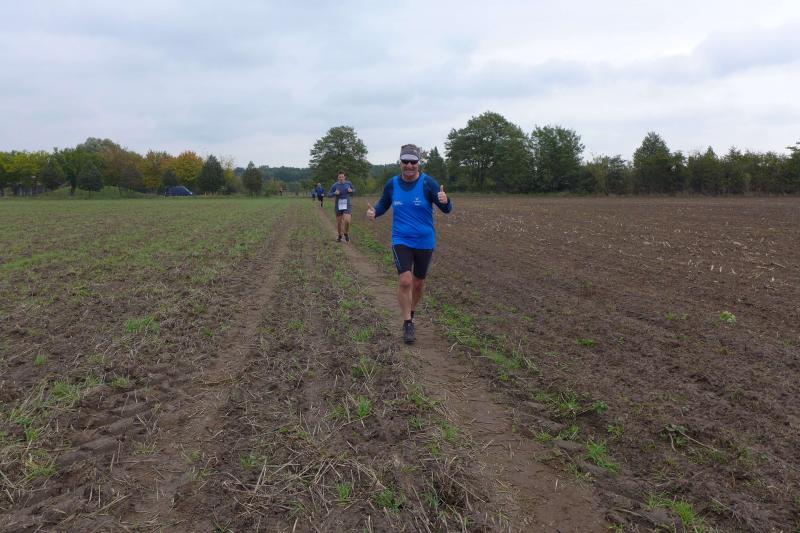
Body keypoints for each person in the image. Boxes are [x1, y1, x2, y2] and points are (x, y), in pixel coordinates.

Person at [366, 144, 452, 344]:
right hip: (401, 239)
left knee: (418, 283)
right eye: (405, 161)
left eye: (413, 162)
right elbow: (383, 204)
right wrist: (374, 212)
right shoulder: (392, 184)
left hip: (424, 241)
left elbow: (447, 209)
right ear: (400, 162)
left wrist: (445, 200)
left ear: (418, 163)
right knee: (405, 281)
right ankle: (407, 323)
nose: (409, 165)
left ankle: (411, 312)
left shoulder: (427, 183)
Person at [328, 171, 355, 242]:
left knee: (347, 221)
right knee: (339, 223)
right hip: (338, 205)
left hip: (347, 204)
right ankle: (340, 236)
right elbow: (329, 194)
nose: (341, 178)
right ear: (338, 178)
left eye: (342, 177)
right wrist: (334, 193)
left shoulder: (349, 183)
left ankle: (346, 233)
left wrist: (351, 190)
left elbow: (354, 190)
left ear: (344, 177)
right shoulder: (335, 185)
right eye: (339, 177)